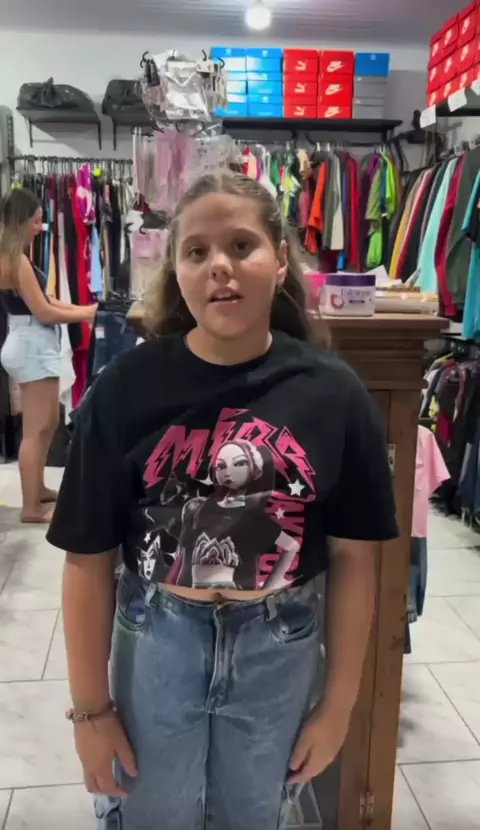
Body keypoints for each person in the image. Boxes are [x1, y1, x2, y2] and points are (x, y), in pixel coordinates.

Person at [47, 172, 398, 830]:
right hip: (156, 640)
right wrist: (90, 711)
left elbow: (356, 560)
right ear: (176, 270)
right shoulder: (124, 389)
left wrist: (338, 704)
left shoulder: (334, 394)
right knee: (151, 816)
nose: (220, 267)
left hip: (279, 643)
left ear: (281, 259)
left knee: (255, 816)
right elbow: (86, 558)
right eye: (197, 251)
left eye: (242, 245)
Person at [0, 189, 97, 523]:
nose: (39, 228)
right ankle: (31, 507)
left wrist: (85, 310)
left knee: (48, 423)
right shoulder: (14, 259)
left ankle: (38, 489)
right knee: (37, 429)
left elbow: (47, 300)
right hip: (31, 343)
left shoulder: (15, 256)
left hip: (31, 340)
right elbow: (43, 311)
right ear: (20, 220)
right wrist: (86, 313)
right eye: (35, 221)